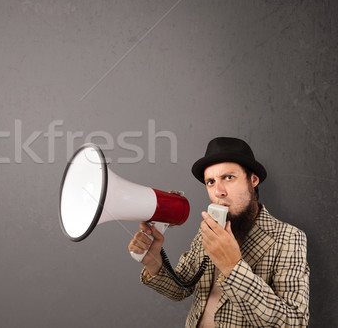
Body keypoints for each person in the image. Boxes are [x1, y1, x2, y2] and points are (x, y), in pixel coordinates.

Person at [128, 137, 310, 327]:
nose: (218, 191)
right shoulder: (208, 230)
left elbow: (294, 322)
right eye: (211, 182)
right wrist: (154, 262)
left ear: (253, 179)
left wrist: (232, 267)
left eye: (228, 177)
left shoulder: (288, 238)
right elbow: (180, 289)